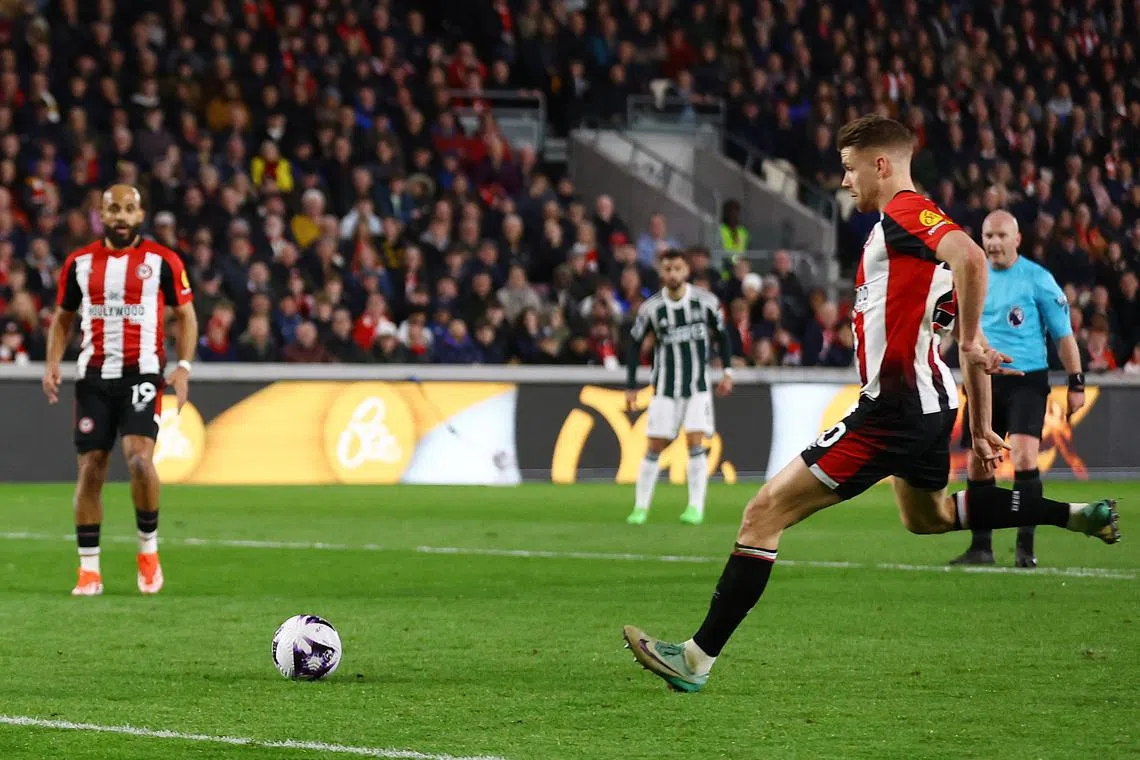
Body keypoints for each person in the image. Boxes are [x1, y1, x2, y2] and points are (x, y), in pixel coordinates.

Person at [622, 115, 1120, 693]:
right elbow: (975, 340)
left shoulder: (908, 212)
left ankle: (695, 659)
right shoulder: (911, 243)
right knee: (927, 518)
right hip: (930, 405)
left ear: (880, 165)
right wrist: (981, 421)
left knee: (763, 514)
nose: (844, 181)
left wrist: (966, 349)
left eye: (849, 168)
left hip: (894, 410)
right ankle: (1073, 515)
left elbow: (973, 262)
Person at [42, 184, 199, 597]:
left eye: (129, 209)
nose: (122, 216)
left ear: (140, 215)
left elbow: (186, 315)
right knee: (91, 467)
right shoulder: (79, 263)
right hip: (94, 377)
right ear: (102, 214)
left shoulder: (162, 261)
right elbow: (63, 317)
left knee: (140, 461)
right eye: (114, 209)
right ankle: (88, 570)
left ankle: (148, 551)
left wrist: (183, 367)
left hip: (142, 374)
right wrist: (53, 363)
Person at [949, 210, 1086, 569]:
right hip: (984, 379)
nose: (993, 243)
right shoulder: (972, 276)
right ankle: (981, 547)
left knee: (1024, 458)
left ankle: (1025, 547)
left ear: (1017, 239)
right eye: (988, 236)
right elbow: (959, 328)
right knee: (979, 463)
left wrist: (1076, 381)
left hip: (1027, 379)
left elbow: (1063, 336)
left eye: (1000, 236)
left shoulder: (1038, 279)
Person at [624, 248, 734, 527]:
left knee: (695, 443)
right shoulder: (651, 308)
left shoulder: (705, 302)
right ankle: (640, 508)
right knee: (655, 445)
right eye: (668, 269)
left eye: (677, 268)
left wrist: (727, 372)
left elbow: (723, 336)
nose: (673, 274)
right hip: (664, 388)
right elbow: (634, 344)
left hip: (697, 387)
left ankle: (695, 507)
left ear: (686, 271)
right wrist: (631, 385)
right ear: (661, 273)